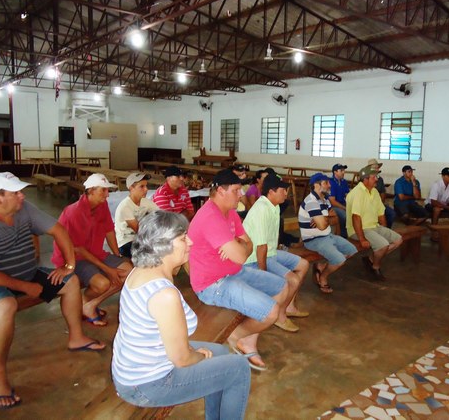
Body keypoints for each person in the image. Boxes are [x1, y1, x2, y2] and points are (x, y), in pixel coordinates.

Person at [0, 172, 105, 409]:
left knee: (71, 282)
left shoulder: (23, 209)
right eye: (15, 193)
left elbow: (59, 230)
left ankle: (75, 338)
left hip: (26, 272)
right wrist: (26, 287)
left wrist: (69, 265)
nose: (22, 196)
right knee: (6, 306)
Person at [112, 211, 251, 418]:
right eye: (183, 238)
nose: (191, 242)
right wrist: (198, 355)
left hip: (137, 366)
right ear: (162, 246)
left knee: (220, 353)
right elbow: (182, 359)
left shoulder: (142, 270)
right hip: (146, 384)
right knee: (239, 368)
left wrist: (198, 354)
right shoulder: (164, 294)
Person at [188, 169, 289, 371]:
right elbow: (243, 254)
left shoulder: (230, 212)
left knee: (282, 287)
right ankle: (237, 335)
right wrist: (239, 247)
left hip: (234, 271)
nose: (241, 194)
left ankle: (246, 338)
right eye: (236, 190)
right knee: (271, 312)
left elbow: (247, 245)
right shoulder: (210, 216)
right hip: (213, 284)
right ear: (220, 191)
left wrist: (238, 246)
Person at [52, 173, 133, 326]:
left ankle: (89, 304)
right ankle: (86, 304)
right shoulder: (73, 212)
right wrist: (108, 269)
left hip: (96, 254)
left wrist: (117, 255)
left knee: (129, 272)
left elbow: (109, 230)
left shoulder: (101, 206)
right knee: (102, 283)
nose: (107, 195)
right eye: (103, 190)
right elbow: (79, 250)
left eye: (107, 190)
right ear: (90, 191)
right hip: (73, 259)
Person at [242, 173, 309, 332]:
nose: (286, 193)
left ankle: (290, 307)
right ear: (271, 192)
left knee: (304, 264)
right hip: (255, 258)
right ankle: (280, 316)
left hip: (271, 252)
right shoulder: (261, 209)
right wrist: (264, 273)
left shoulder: (275, 206)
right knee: (291, 280)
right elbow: (261, 247)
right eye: (283, 190)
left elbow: (273, 239)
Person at [299, 173, 357, 293]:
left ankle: (321, 266)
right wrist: (325, 219)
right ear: (316, 185)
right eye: (326, 183)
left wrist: (323, 218)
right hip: (314, 240)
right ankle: (323, 278)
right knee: (340, 260)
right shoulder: (311, 201)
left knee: (351, 250)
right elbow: (321, 226)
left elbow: (334, 218)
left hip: (327, 235)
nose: (329, 185)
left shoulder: (324, 199)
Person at [347, 165, 403, 281]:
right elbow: (356, 217)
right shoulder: (357, 193)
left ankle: (371, 258)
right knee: (383, 245)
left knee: (398, 240)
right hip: (359, 229)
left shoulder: (374, 192)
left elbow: (381, 213)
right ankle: (375, 267)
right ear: (366, 179)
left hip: (374, 226)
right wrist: (362, 239)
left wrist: (384, 230)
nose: (377, 179)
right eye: (374, 177)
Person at [114, 172, 159, 258]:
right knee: (151, 253)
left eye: (146, 186)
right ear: (131, 188)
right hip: (126, 241)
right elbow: (138, 229)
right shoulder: (125, 206)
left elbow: (161, 215)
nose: (146, 189)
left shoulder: (145, 201)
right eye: (142, 186)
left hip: (140, 239)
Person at [368, 158, 396, 228]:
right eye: (374, 168)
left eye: (377, 168)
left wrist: (381, 204)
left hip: (379, 203)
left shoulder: (380, 179)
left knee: (391, 213)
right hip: (369, 204)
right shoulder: (366, 179)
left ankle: (387, 229)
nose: (377, 169)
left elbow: (383, 193)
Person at [329, 163, 350, 237]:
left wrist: (351, 205)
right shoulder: (331, 182)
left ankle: (351, 233)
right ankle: (342, 235)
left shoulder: (344, 182)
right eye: (341, 170)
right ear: (335, 172)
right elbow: (332, 201)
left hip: (342, 204)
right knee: (345, 216)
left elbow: (348, 195)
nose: (343, 172)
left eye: (344, 170)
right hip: (333, 206)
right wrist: (345, 208)